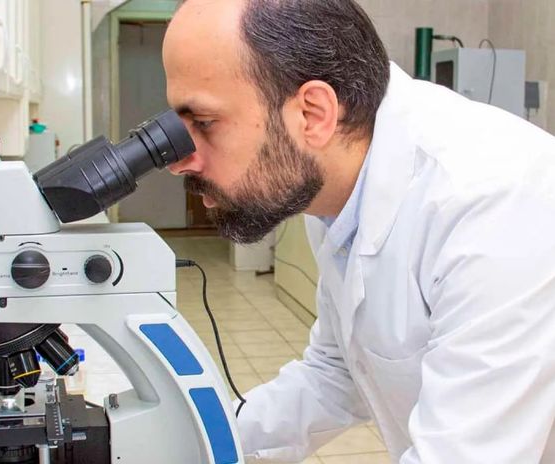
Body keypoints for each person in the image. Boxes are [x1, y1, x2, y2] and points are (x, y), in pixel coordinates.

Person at [163, 0, 555, 462]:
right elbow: (336, 374)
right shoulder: (337, 188)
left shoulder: (495, 204)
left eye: (204, 123)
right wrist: (194, 445)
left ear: (313, 114)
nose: (179, 162)